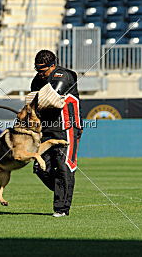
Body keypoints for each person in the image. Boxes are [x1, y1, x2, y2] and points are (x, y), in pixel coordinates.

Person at [30, 50, 82, 217]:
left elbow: (50, 99)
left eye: (43, 70)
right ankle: (63, 189)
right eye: (37, 70)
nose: (40, 74)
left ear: (52, 66)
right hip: (46, 128)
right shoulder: (37, 80)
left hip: (67, 127)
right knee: (39, 167)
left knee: (63, 165)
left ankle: (62, 209)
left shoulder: (64, 76)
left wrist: (35, 100)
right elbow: (34, 104)